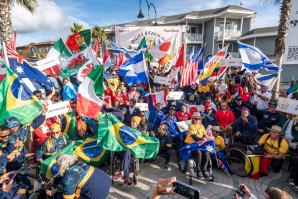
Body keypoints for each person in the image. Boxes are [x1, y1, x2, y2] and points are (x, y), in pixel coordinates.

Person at [184, 112, 212, 180]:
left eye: (199, 119)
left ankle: (204, 170)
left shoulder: (201, 126)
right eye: (196, 119)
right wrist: (203, 139)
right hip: (192, 144)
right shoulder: (191, 126)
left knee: (207, 152)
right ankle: (198, 170)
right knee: (199, 153)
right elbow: (194, 137)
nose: (197, 120)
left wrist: (207, 138)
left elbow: (205, 135)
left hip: (200, 144)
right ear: (193, 119)